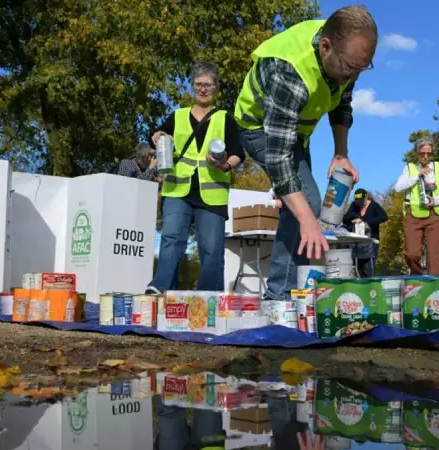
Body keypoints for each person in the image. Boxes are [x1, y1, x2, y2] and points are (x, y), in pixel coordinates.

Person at [234, 6, 377, 301]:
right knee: (307, 203)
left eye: (362, 68)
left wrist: (341, 153)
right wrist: (307, 216)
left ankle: (293, 290)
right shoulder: (290, 71)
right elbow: (277, 156)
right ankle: (279, 297)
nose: (353, 75)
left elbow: (342, 103)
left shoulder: (345, 53)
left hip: (296, 133)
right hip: (259, 128)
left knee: (302, 210)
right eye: (350, 67)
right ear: (326, 47)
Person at [145, 62, 245, 294]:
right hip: (178, 189)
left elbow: (238, 153)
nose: (203, 89)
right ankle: (160, 289)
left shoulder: (224, 118)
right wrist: (158, 136)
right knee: (171, 239)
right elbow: (156, 138)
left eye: (208, 85)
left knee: (211, 248)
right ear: (191, 87)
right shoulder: (177, 115)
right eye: (198, 84)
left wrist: (225, 165)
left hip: (212, 193)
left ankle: (210, 297)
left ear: (216, 88)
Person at [395, 137, 439, 275]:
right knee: (412, 253)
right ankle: (417, 276)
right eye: (422, 154)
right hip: (413, 214)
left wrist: (436, 200)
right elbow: (398, 187)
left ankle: (433, 284)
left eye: (429, 154)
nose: (426, 157)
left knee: (434, 254)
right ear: (416, 153)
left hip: (434, 214)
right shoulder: (410, 168)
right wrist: (416, 176)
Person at [342, 188, 388, 277]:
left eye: (361, 201)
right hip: (357, 241)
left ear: (366, 197)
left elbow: (384, 217)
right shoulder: (354, 205)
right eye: (357, 201)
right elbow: (346, 218)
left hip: (371, 241)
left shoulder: (374, 206)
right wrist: (353, 218)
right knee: (357, 267)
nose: (359, 203)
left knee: (368, 267)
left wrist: (365, 221)